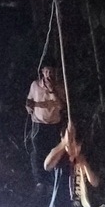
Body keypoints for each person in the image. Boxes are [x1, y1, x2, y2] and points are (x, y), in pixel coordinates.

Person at [26, 63, 65, 193]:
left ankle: (53, 181)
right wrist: (29, 106)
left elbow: (61, 106)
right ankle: (39, 181)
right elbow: (30, 99)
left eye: (51, 71)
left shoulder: (59, 86)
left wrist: (52, 90)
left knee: (53, 152)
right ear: (42, 72)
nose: (49, 74)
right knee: (37, 151)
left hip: (54, 124)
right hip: (38, 123)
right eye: (47, 71)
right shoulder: (35, 85)